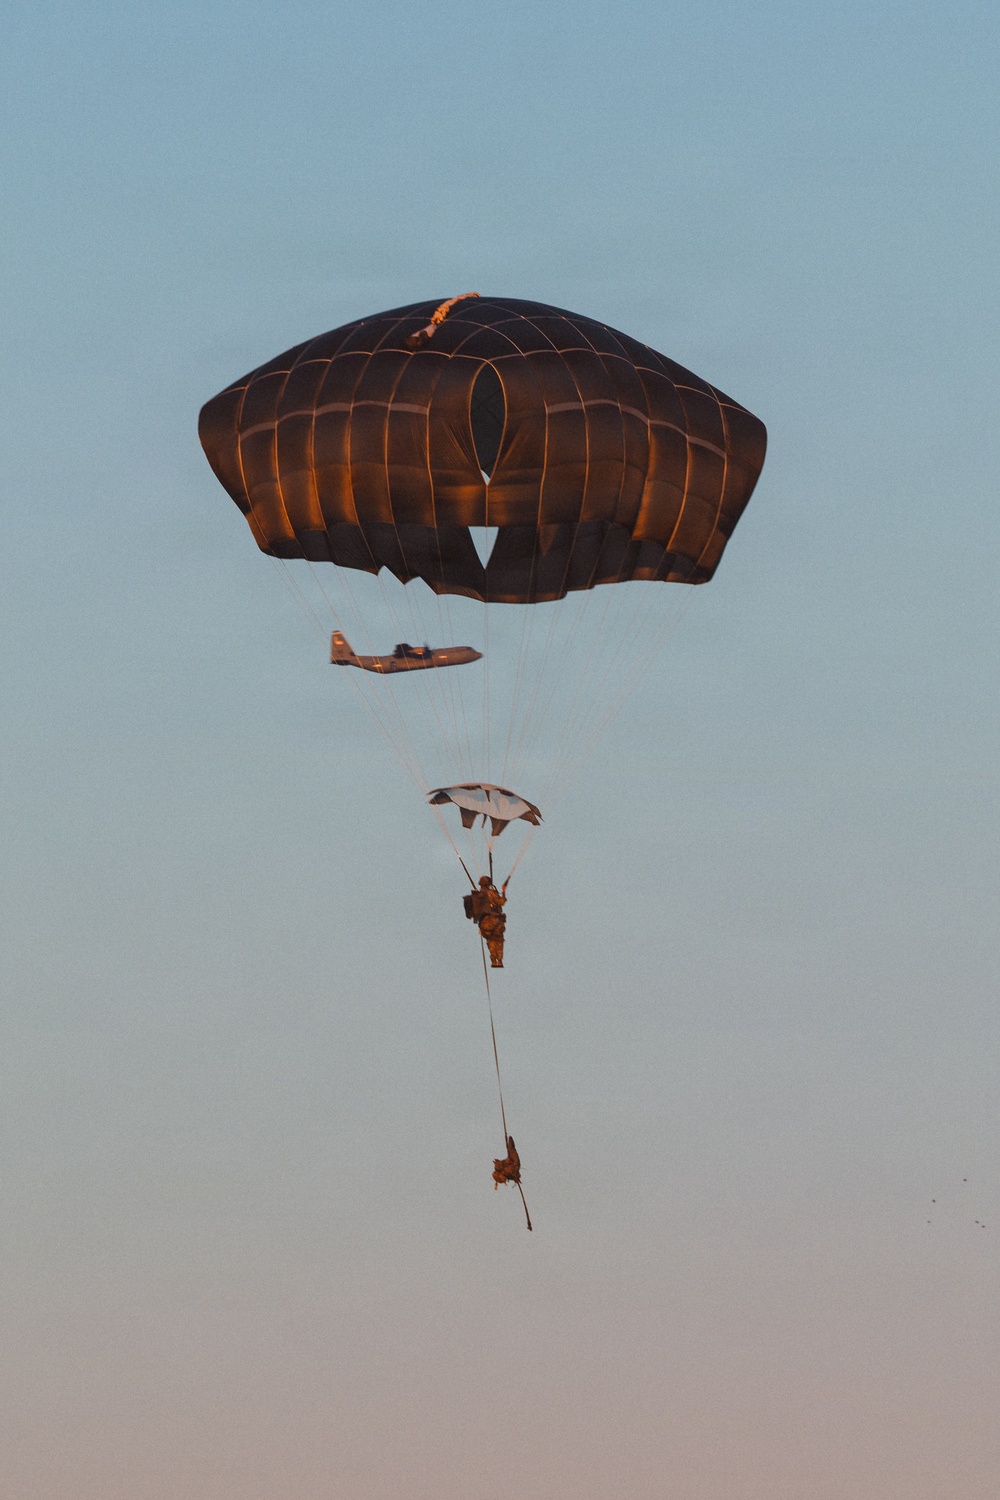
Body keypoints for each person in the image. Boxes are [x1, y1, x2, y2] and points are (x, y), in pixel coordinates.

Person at [463, 875, 507, 967]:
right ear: (488, 884)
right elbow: (501, 902)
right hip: (495, 920)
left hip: (484, 923)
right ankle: (499, 960)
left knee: (490, 940)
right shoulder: (491, 893)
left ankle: (493, 960)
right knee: (498, 940)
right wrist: (503, 892)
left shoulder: (477, 895)